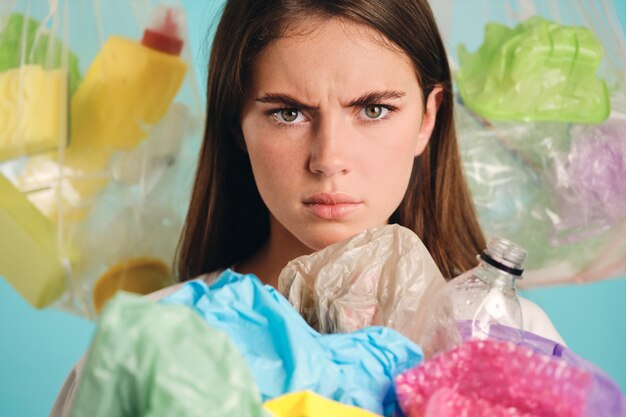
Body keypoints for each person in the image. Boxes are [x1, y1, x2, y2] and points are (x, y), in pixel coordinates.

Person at [50, 0, 563, 415]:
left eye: (374, 108)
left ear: (428, 119)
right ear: (238, 125)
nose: (329, 159)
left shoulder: (508, 343)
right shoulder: (150, 344)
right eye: (288, 112)